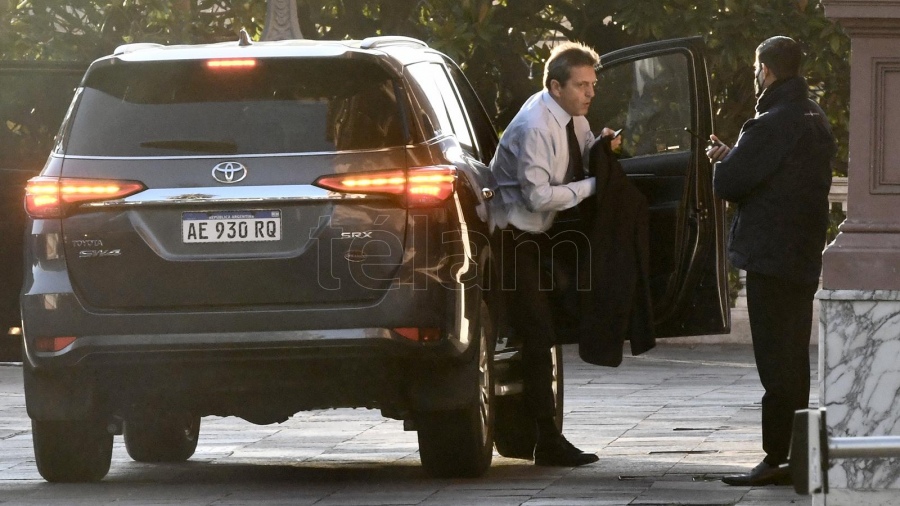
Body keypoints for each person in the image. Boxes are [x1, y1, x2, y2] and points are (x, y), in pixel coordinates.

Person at [706, 36, 836, 486]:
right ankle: (795, 454)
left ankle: (775, 457)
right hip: (801, 253)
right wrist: (737, 156)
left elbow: (732, 183)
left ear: (766, 69)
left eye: (756, 68)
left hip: (769, 256)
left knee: (774, 361)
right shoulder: (813, 116)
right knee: (793, 358)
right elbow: (780, 173)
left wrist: (723, 163)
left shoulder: (771, 120)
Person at [490, 41, 601, 467]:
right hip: (512, 238)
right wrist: (593, 186)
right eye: (581, 85)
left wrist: (602, 149)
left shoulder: (574, 117)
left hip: (540, 236)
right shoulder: (536, 125)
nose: (590, 94)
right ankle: (547, 442)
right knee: (538, 336)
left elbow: (586, 150)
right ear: (556, 87)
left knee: (543, 334)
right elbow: (537, 197)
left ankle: (532, 435)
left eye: (593, 85)